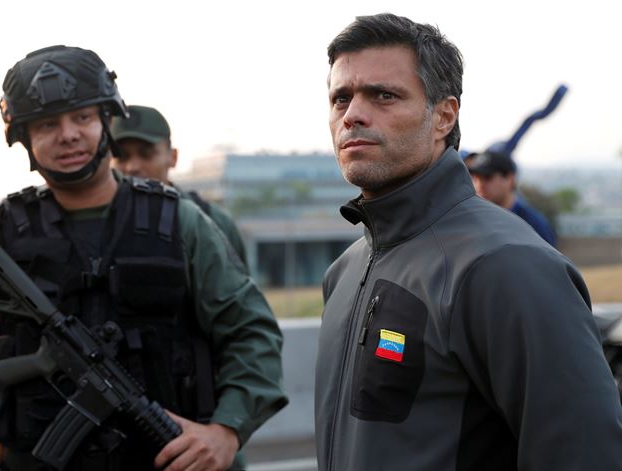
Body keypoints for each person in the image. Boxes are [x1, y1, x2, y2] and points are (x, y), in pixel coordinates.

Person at [0, 25, 287, 471]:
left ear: (106, 122)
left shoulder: (180, 222)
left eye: (82, 118)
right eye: (47, 124)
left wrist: (226, 431)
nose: (68, 134)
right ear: (24, 139)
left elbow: (250, 332)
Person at [316, 13, 622, 471]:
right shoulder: (343, 273)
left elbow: (584, 454)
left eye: (384, 95)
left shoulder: (507, 265)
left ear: (444, 116)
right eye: (341, 97)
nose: (353, 114)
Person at [110, 105, 248, 267]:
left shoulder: (212, 221)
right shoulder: (98, 218)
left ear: (173, 157)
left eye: (146, 154)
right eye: (121, 156)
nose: (133, 166)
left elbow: (237, 289)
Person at [466, 149, 558, 246]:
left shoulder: (534, 226)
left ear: (510, 179)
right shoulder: (471, 220)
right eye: (475, 178)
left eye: (487, 177)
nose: (480, 185)